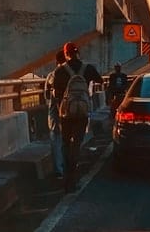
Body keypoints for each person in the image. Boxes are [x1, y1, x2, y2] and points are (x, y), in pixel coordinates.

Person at [52, 42, 103, 191]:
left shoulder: (60, 70)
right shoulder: (87, 68)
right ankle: (73, 178)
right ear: (78, 53)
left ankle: (66, 177)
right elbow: (100, 80)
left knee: (65, 143)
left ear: (66, 54)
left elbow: (55, 93)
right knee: (77, 143)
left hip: (65, 113)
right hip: (82, 112)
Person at [45, 50, 67, 179]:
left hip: (55, 113)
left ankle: (59, 170)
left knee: (56, 140)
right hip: (70, 112)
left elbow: (47, 96)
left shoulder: (51, 75)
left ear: (56, 61)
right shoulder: (73, 75)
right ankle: (70, 166)